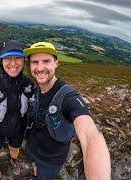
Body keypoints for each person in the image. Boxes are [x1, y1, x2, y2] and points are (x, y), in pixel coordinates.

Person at [23, 42, 111, 180]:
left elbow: (90, 136)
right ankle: (34, 173)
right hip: (33, 146)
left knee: (42, 176)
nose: (39, 68)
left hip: (51, 158)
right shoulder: (37, 89)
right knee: (34, 166)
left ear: (56, 63)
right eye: (35, 62)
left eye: (46, 61)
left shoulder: (68, 97)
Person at [0, 40, 35, 179]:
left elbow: (31, 108)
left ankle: (13, 160)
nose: (13, 63)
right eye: (8, 58)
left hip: (18, 128)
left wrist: (28, 128)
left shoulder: (28, 84)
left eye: (18, 58)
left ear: (23, 60)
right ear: (1, 61)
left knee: (15, 148)